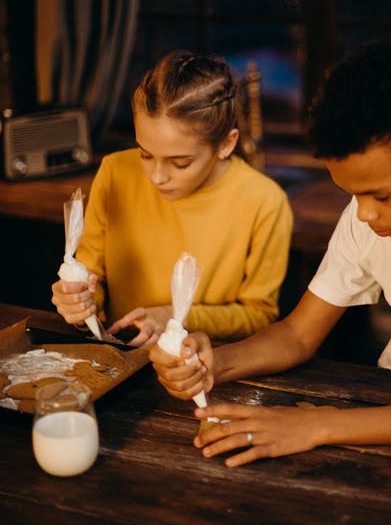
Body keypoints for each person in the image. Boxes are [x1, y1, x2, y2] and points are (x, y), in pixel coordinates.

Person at [149, 39, 391, 467]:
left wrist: (315, 427)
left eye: (380, 196)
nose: (365, 213)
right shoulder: (365, 214)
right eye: (352, 194)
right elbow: (298, 334)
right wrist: (213, 364)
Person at [51, 50, 293, 346]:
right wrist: (79, 299)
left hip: (204, 365)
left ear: (226, 144)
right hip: (120, 352)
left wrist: (177, 316)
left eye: (180, 163)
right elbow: (92, 274)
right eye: (145, 154)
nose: (156, 177)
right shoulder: (116, 172)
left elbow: (258, 315)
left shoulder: (265, 202)